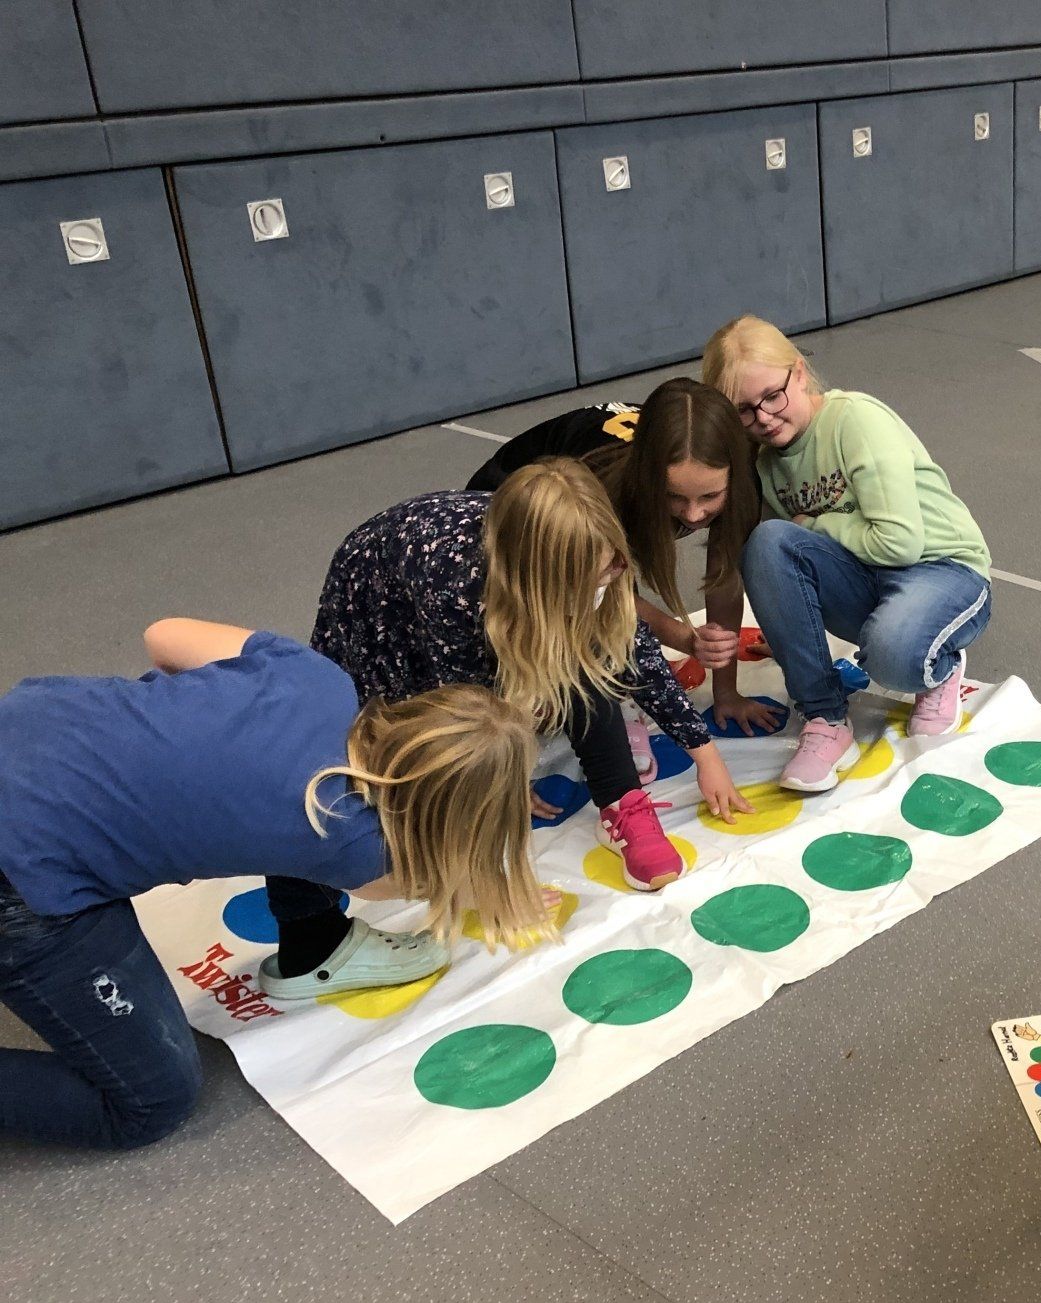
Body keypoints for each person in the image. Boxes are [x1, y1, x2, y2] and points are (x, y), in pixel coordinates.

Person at [0, 620, 550, 1148]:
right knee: (152, 1102)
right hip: (23, 868)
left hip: (27, 726)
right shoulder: (357, 847)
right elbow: (431, 878)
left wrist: (204, 736)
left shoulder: (315, 676)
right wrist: (502, 892)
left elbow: (161, 635)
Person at [265, 461, 746, 980]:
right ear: (540, 581)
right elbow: (462, 719)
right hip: (385, 594)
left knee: (585, 658)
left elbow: (631, 649)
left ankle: (622, 802)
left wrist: (706, 755)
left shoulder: (586, 558)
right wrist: (500, 794)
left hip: (498, 586)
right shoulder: (453, 588)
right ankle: (335, 921)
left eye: (610, 570)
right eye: (588, 581)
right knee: (385, 745)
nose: (604, 585)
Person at [702, 316, 993, 792]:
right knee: (767, 540)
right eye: (744, 411)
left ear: (799, 373)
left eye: (773, 396)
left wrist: (816, 524)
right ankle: (826, 719)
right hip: (868, 578)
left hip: (942, 570)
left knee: (893, 658)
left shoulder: (854, 420)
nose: (764, 418)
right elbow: (773, 559)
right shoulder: (764, 460)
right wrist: (788, 631)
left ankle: (939, 666)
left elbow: (899, 543)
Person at [467, 378, 778, 736]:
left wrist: (727, 692)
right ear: (647, 478)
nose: (693, 515)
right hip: (504, 500)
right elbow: (601, 596)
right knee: (539, 635)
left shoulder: (741, 484)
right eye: (674, 496)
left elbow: (722, 581)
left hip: (594, 489)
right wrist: (683, 638)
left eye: (709, 497)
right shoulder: (603, 489)